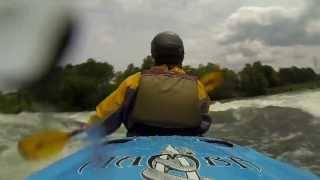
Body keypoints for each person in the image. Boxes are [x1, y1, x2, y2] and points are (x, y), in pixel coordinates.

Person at [87, 31, 213, 136]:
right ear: (181, 55)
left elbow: (103, 120)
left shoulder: (134, 81)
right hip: (189, 146)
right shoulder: (197, 86)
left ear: (153, 55)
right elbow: (204, 122)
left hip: (139, 142)